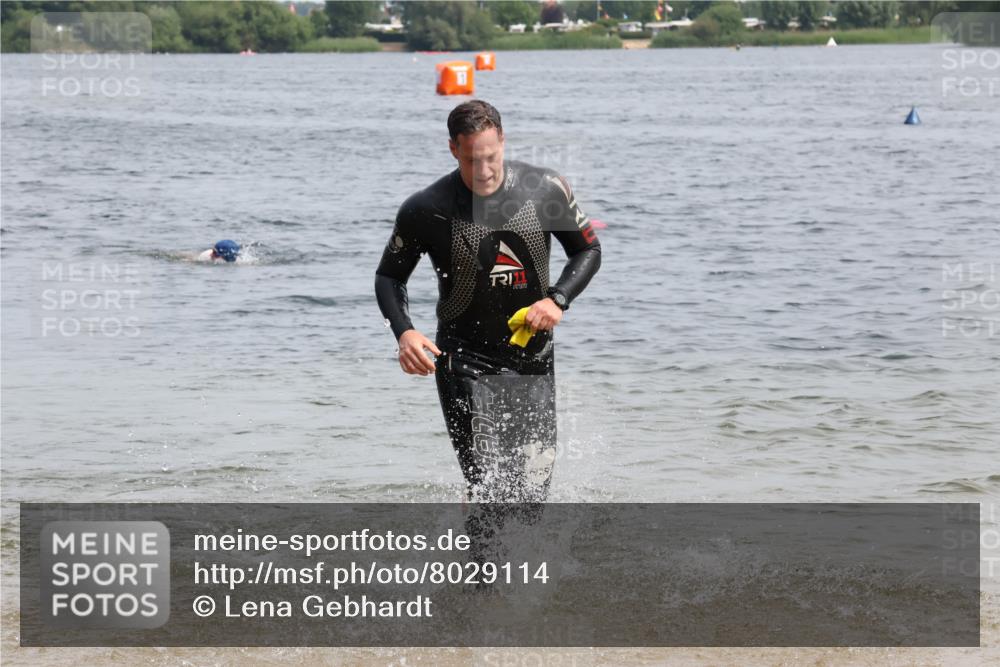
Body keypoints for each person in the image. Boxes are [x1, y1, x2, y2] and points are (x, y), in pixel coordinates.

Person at [375, 100, 601, 504]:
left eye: (491, 158)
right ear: (452, 149)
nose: (484, 171)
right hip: (464, 357)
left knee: (530, 494)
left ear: (503, 141)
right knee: (490, 488)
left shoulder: (545, 189)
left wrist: (558, 300)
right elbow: (390, 276)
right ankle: (484, 566)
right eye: (471, 160)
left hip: (531, 355)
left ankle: (516, 565)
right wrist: (404, 331)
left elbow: (587, 251)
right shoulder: (426, 208)